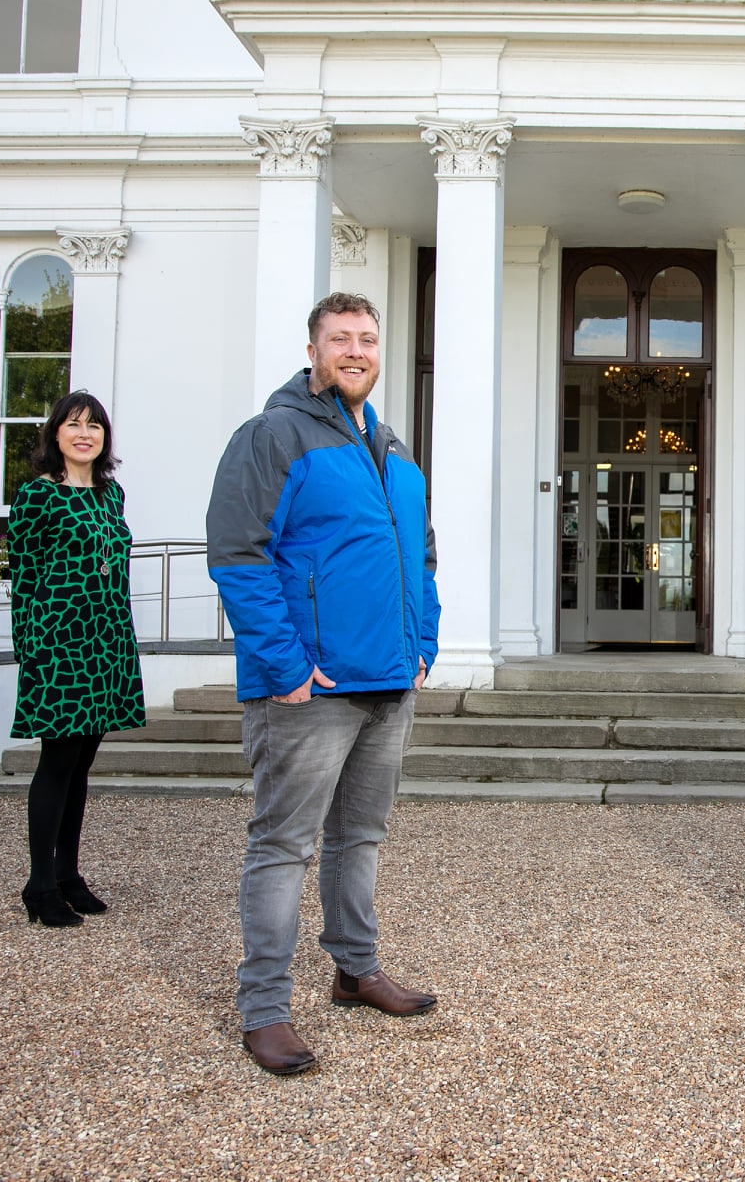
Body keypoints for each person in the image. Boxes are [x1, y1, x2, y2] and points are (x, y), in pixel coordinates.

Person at [207, 291, 441, 1077]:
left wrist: (422, 646)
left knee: (361, 836)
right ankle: (264, 1008)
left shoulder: (395, 449)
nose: (355, 350)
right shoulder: (271, 435)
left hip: (387, 679)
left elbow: (423, 557)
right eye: (339, 338)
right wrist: (285, 667)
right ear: (313, 350)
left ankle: (354, 966)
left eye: (367, 339)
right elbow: (238, 555)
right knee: (282, 844)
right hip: (308, 687)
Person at [9, 391, 145, 929]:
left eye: (94, 426)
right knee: (57, 762)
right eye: (73, 424)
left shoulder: (112, 497)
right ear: (56, 434)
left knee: (82, 764)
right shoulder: (38, 497)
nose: (84, 433)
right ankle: (39, 884)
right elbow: (22, 578)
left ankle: (68, 874)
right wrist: (30, 653)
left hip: (106, 642)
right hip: (59, 646)